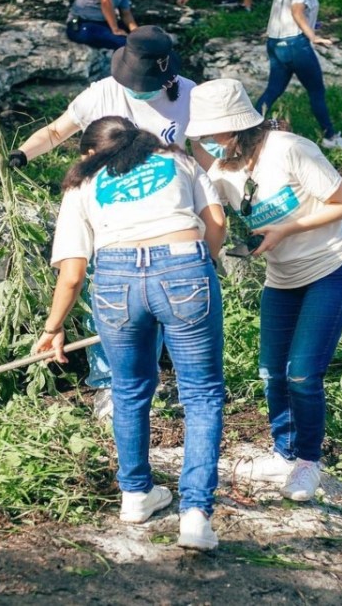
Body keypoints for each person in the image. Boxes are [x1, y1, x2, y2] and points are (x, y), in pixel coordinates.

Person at [32, 116, 227, 550]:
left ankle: (136, 494)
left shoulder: (83, 183)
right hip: (183, 265)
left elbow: (73, 273)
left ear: (92, 153)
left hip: (116, 277)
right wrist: (202, 268)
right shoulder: (176, 160)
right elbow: (215, 222)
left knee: (129, 389)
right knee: (201, 393)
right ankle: (195, 515)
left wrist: (53, 328)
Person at [187, 78, 342, 502]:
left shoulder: (290, 149)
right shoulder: (223, 167)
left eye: (213, 134)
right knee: (271, 372)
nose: (206, 142)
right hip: (281, 279)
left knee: (302, 373)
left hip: (330, 269)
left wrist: (286, 228)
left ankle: (308, 462)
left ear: (238, 127)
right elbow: (212, 209)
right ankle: (284, 453)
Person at [10, 26, 198, 417]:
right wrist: (22, 154)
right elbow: (58, 130)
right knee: (109, 297)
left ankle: (148, 377)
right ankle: (109, 382)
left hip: (161, 204)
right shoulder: (103, 93)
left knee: (160, 299)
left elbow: (208, 151)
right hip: (108, 208)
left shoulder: (189, 95)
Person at [254, 0, 342, 150]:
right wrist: (313, 37)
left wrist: (314, 25)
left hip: (275, 42)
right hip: (296, 45)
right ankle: (330, 137)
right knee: (316, 91)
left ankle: (247, 130)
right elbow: (296, 10)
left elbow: (286, 12)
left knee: (273, 90)